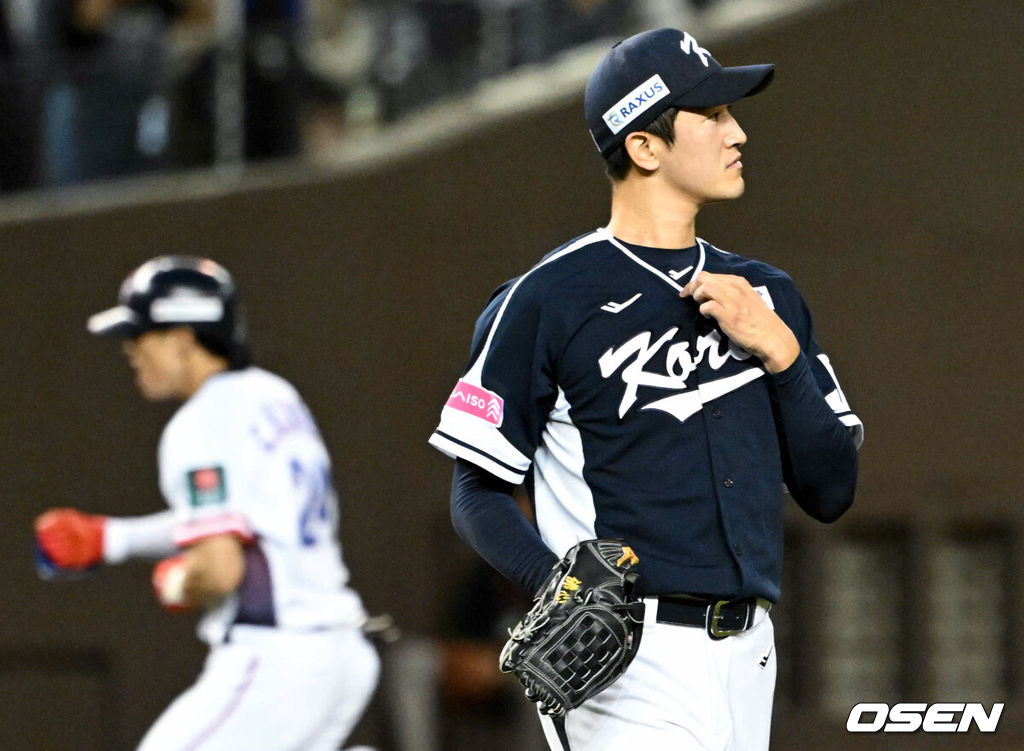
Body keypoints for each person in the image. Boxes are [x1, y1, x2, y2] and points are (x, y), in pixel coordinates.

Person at [428, 27, 863, 750]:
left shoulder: (769, 295)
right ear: (645, 145)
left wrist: (782, 353)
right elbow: (475, 488)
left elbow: (832, 489)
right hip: (626, 651)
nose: (738, 132)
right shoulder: (546, 299)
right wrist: (556, 587)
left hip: (750, 648)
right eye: (713, 115)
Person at [34, 256, 380, 751]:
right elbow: (243, 515)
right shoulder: (273, 394)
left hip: (277, 657)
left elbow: (219, 569)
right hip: (341, 651)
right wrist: (114, 539)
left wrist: (181, 580)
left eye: (142, 334)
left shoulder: (201, 421)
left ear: (183, 338)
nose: (131, 349)